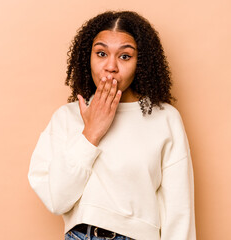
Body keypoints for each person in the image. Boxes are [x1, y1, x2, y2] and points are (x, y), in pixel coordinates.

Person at [28, 11, 196, 240]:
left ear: (142, 63)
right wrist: (90, 133)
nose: (111, 66)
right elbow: (56, 200)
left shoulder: (165, 118)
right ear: (88, 58)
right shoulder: (66, 118)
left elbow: (179, 211)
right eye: (101, 53)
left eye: (125, 56)